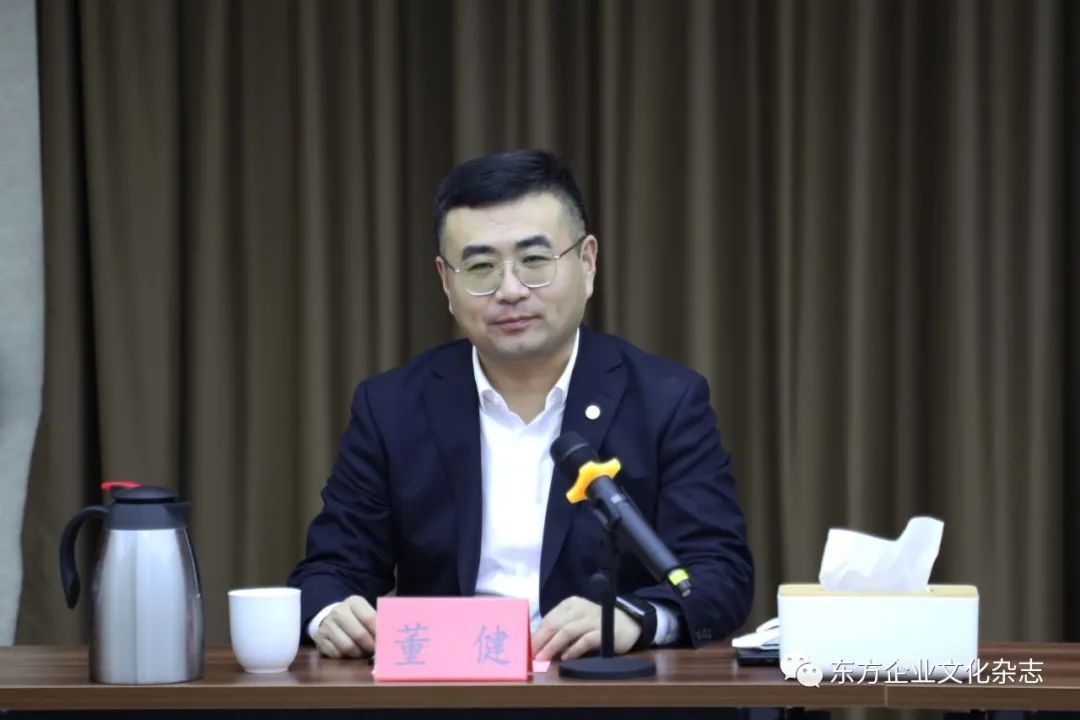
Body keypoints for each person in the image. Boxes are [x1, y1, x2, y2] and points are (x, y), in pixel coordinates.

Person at [287, 149, 753, 662]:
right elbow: (330, 570)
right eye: (480, 267)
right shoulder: (392, 406)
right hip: (448, 687)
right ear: (446, 282)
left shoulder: (665, 400)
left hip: (601, 686)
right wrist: (331, 613)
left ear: (587, 262)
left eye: (534, 261)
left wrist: (634, 618)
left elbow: (719, 573)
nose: (509, 290)